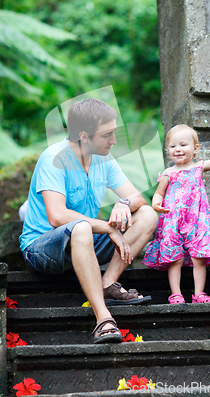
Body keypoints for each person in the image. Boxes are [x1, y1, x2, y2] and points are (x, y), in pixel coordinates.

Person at [19, 98, 158, 344]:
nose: (113, 141)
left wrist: (123, 203)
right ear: (84, 135)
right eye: (107, 135)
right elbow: (57, 216)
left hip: (85, 241)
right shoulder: (54, 158)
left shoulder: (103, 157)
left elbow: (137, 198)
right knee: (81, 227)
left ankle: (108, 282)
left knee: (147, 215)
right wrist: (108, 228)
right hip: (42, 249)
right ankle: (103, 319)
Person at [142, 124, 210, 304]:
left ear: (195, 149)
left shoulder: (199, 167)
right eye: (173, 146)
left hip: (198, 219)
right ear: (167, 150)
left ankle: (199, 293)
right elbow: (159, 194)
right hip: (173, 220)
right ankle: (175, 293)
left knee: (199, 256)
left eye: (183, 145)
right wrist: (156, 204)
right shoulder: (169, 173)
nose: (178, 149)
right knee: (174, 258)